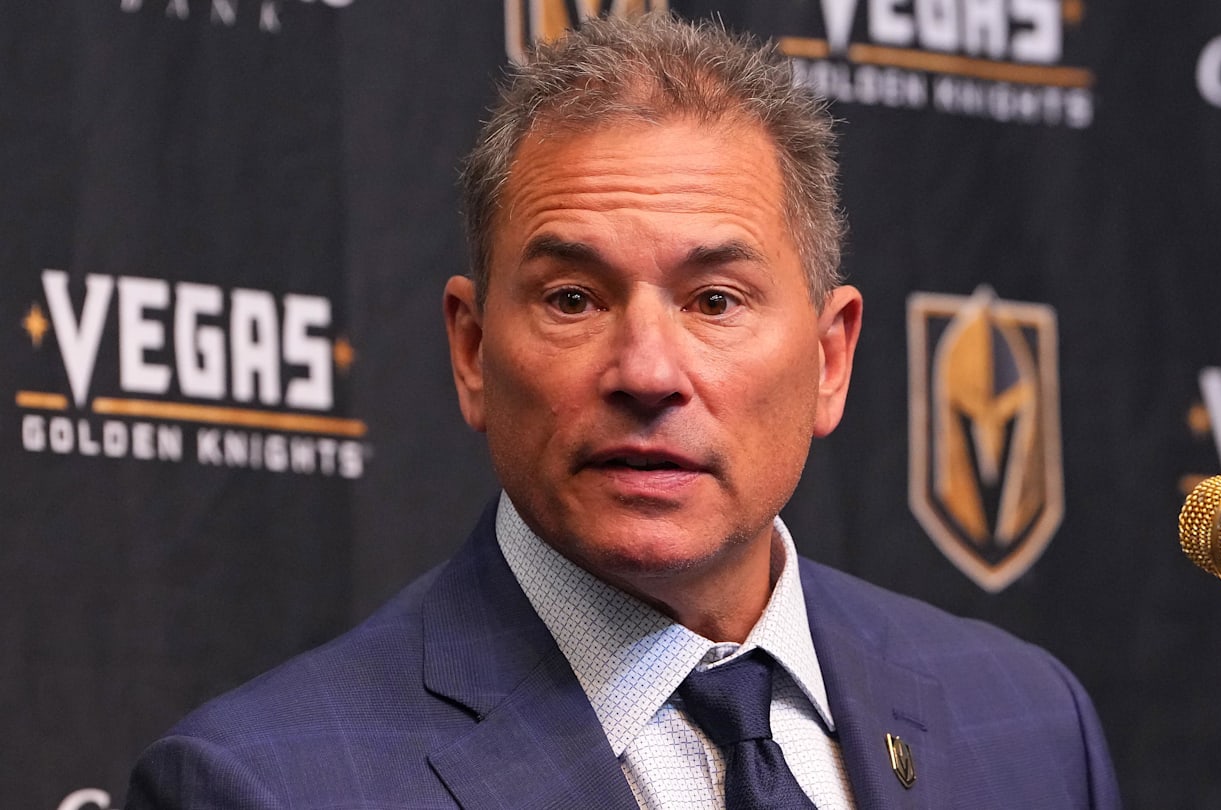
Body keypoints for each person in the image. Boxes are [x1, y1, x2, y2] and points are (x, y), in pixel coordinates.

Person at [126, 13, 1120, 810]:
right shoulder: (257, 787)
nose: (648, 371)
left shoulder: (1031, 726)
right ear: (471, 350)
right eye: (573, 299)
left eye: (715, 301)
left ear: (830, 358)